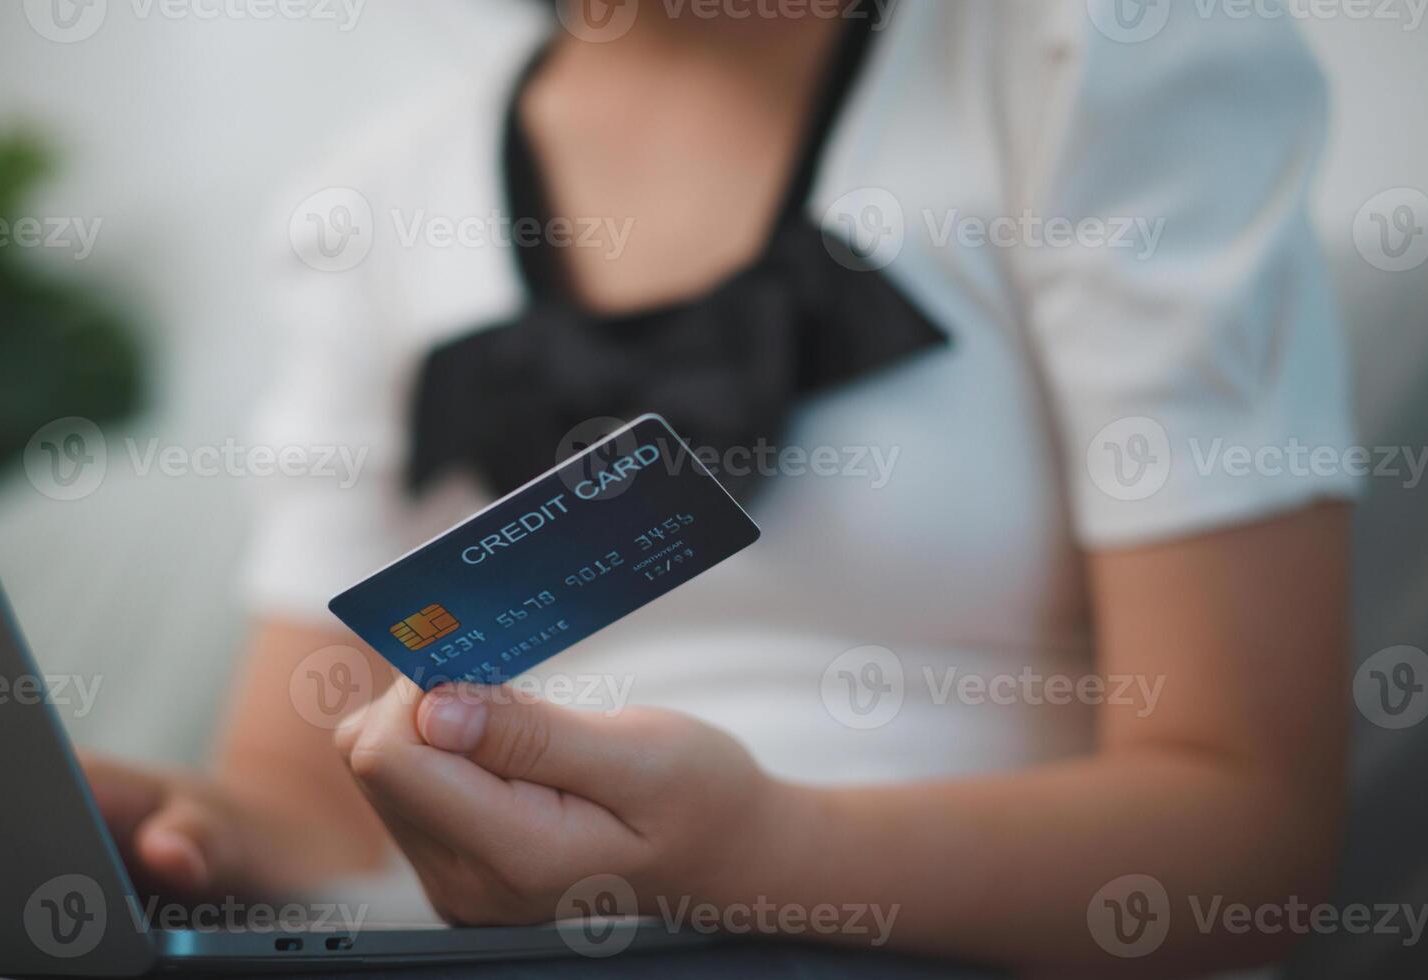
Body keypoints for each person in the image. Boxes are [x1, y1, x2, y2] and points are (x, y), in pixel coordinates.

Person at [84, 0, 1359, 971]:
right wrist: (170, 831)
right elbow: (310, 806)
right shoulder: (368, 201)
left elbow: (1244, 831)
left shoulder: (1097, 57)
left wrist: (758, 859)